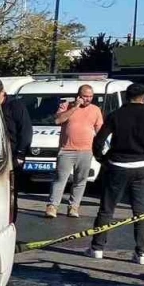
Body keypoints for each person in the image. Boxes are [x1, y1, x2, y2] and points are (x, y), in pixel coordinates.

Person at [88, 84, 144, 264]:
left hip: (118, 164)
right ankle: (142, 252)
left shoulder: (116, 116)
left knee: (107, 208)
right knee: (141, 211)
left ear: (127, 96)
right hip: (142, 166)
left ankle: (97, 247)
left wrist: (102, 159)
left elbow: (98, 140)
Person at [46, 84, 103, 218]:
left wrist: (99, 146)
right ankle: (52, 206)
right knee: (60, 179)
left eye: (90, 96)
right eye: (85, 96)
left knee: (81, 180)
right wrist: (75, 107)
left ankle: (74, 206)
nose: (88, 99)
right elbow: (58, 120)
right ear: (78, 95)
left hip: (86, 150)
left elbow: (99, 129)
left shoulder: (95, 110)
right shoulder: (66, 105)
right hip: (67, 150)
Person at [0, 79, 32, 166]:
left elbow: (25, 130)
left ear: (2, 92)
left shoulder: (15, 106)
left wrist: (20, 153)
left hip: (12, 154)